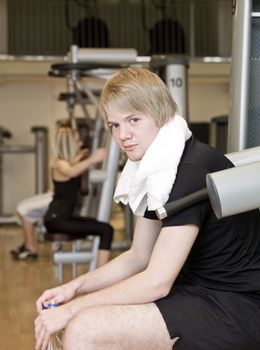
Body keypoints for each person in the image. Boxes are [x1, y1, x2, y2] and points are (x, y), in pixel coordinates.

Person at [34, 67, 260, 350]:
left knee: (83, 328)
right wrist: (74, 288)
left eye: (134, 120)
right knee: (79, 318)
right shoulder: (158, 169)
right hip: (198, 292)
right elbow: (138, 256)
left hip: (237, 305)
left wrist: (70, 310)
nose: (123, 135)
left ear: (161, 113)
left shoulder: (188, 171)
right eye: (115, 125)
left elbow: (157, 282)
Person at [43, 125, 113, 268]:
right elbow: (71, 172)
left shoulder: (66, 162)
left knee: (101, 227)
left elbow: (73, 165)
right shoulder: (58, 163)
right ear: (68, 143)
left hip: (63, 218)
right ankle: (100, 274)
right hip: (56, 220)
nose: (80, 144)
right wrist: (92, 159)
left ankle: (99, 270)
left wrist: (82, 156)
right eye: (77, 141)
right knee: (106, 230)